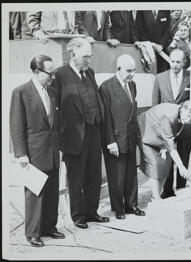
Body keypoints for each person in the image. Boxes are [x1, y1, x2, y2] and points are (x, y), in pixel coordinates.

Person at [10, 55, 65, 247]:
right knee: (35, 194)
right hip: (33, 152)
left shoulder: (52, 92)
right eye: (49, 73)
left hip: (52, 151)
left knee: (52, 191)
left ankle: (49, 226)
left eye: (54, 73)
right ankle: (32, 232)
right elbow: (16, 125)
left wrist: (60, 148)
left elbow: (55, 124)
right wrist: (21, 153)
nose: (53, 77)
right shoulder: (21, 92)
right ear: (35, 71)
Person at [53, 38, 109, 229]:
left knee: (94, 175)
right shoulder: (59, 75)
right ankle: (78, 215)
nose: (88, 61)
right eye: (85, 57)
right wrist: (60, 138)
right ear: (72, 54)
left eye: (90, 57)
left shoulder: (90, 73)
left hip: (94, 132)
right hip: (74, 137)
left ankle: (92, 212)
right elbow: (54, 109)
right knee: (76, 178)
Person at [99, 54, 145, 220]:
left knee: (131, 174)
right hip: (116, 139)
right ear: (118, 69)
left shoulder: (132, 85)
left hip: (130, 137)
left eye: (134, 70)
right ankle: (118, 208)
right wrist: (111, 142)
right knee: (117, 176)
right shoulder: (106, 88)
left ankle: (132, 204)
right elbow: (105, 118)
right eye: (129, 70)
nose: (132, 74)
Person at [137, 101, 191, 200]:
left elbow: (171, 136)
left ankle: (155, 196)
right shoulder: (169, 115)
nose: (189, 120)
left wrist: (165, 146)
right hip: (145, 132)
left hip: (160, 136)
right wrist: (181, 167)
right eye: (190, 114)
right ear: (184, 108)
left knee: (166, 164)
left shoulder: (182, 117)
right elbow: (171, 146)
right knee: (154, 164)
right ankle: (156, 199)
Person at [152, 48, 191, 199]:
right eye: (172, 61)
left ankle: (182, 190)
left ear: (184, 62)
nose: (175, 65)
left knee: (183, 157)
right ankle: (167, 190)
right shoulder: (159, 78)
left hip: (186, 126)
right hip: (166, 126)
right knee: (167, 159)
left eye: (178, 62)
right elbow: (154, 105)